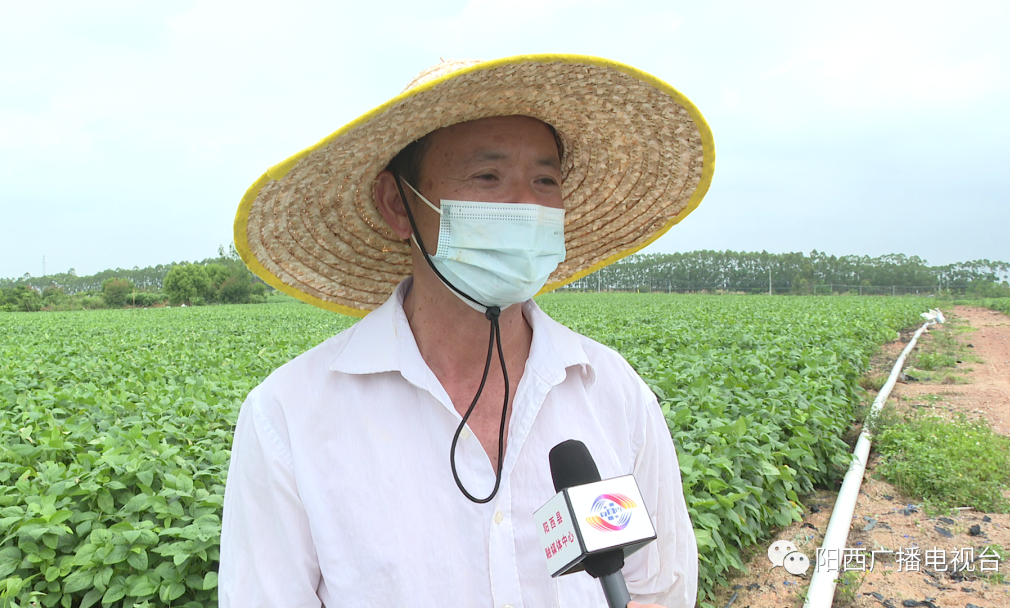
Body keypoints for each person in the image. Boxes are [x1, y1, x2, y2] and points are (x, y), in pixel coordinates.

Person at [219, 55, 715, 607]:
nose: (527, 206)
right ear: (397, 204)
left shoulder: (613, 393)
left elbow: (663, 589)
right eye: (488, 176)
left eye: (545, 179)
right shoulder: (290, 416)